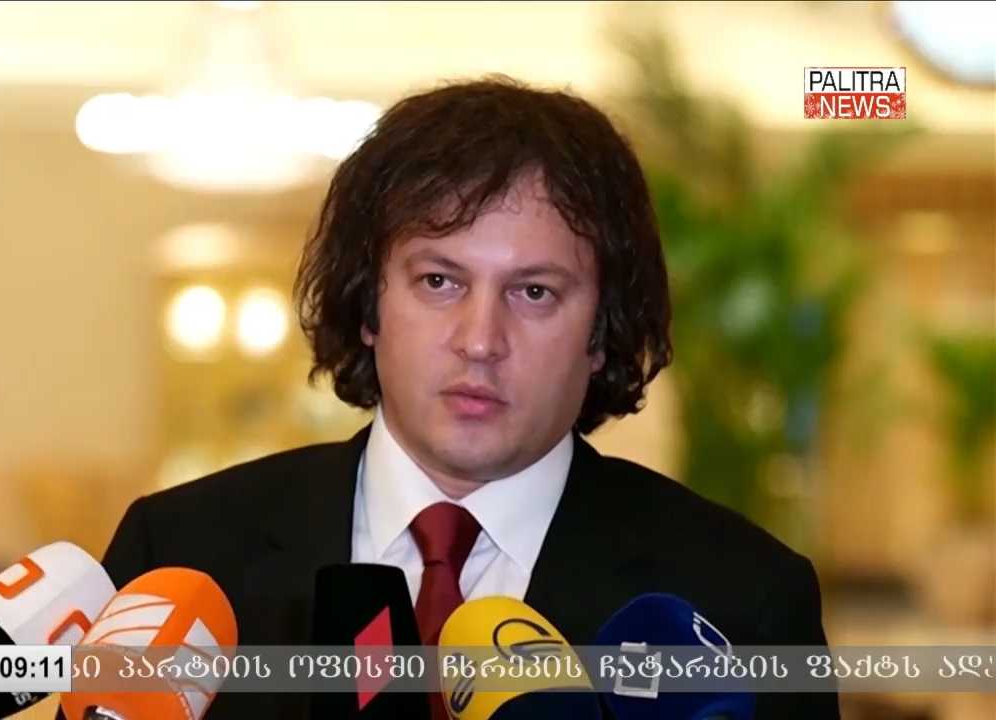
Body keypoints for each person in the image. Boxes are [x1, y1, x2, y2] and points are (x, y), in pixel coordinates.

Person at [95, 76, 839, 719]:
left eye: (534, 292)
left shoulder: (742, 599)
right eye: (439, 281)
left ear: (602, 331)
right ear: (369, 305)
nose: (481, 340)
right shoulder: (181, 554)